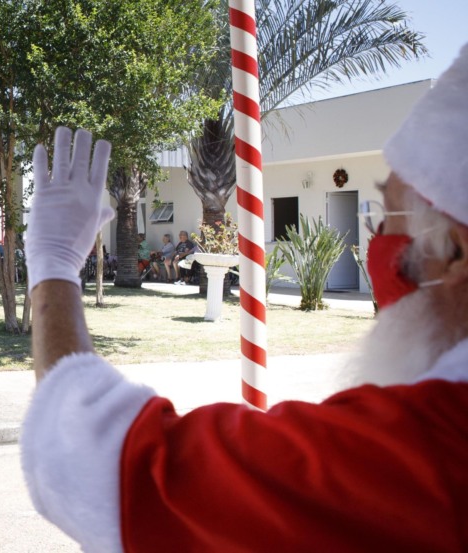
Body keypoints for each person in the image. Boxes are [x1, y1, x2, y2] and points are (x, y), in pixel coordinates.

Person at [23, 54, 468, 550]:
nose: (377, 238)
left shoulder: (421, 448)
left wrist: (55, 265)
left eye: (389, 216)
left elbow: (107, 466)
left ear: (453, 251)